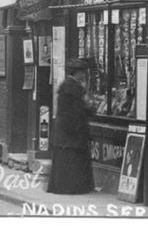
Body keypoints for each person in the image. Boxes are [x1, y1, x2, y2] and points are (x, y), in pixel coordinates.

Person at [48, 58, 95, 194]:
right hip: (71, 133)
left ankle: (66, 187)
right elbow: (76, 111)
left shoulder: (68, 86)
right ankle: (72, 188)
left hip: (67, 133)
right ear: (76, 73)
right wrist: (88, 106)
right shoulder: (72, 88)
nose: (84, 74)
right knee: (72, 161)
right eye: (82, 71)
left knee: (67, 161)